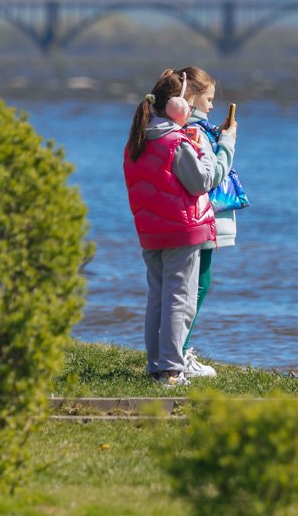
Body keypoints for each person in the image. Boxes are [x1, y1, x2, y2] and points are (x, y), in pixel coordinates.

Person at [123, 69, 231, 387]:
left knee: (157, 296)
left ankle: (156, 363)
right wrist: (206, 150)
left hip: (150, 231)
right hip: (182, 231)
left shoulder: (137, 141)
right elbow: (202, 182)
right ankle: (171, 370)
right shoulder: (175, 142)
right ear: (180, 107)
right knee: (178, 298)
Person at [176, 66, 244, 379]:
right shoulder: (192, 131)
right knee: (195, 287)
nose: (213, 105)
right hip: (200, 219)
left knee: (194, 286)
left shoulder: (188, 129)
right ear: (191, 96)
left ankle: (176, 353)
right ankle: (179, 355)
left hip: (194, 219)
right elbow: (211, 175)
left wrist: (218, 134)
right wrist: (227, 142)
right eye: (209, 98)